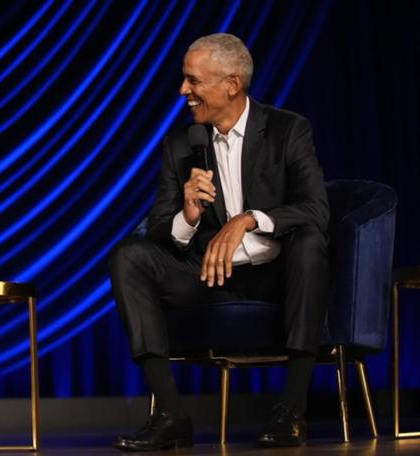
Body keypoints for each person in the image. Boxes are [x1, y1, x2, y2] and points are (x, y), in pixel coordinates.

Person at [109, 33, 329, 451]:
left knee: (311, 244)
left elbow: (315, 208)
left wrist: (247, 220)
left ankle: (291, 410)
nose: (183, 91)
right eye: (184, 80)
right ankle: (171, 414)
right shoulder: (181, 145)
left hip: (275, 273)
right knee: (128, 257)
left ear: (232, 84)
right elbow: (159, 231)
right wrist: (188, 216)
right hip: (208, 275)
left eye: (193, 81)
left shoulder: (287, 130)